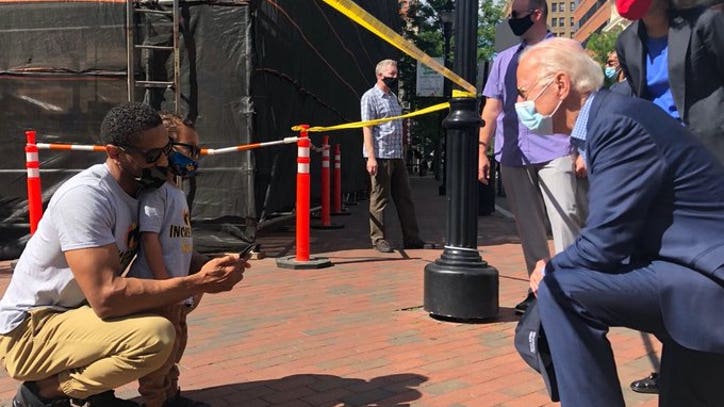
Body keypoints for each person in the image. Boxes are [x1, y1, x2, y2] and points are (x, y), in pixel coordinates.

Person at [518, 37, 724, 406]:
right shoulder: (613, 117)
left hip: (704, 280)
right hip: (686, 272)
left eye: (524, 92)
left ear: (561, 85)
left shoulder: (617, 124)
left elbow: (604, 243)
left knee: (561, 287)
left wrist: (549, 268)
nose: (521, 105)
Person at [0, 103, 248, 407]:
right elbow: (106, 298)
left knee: (162, 310)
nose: (164, 160)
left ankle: (101, 395)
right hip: (30, 330)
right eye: (151, 155)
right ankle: (45, 393)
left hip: (74, 315)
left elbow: (164, 249)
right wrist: (197, 282)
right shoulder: (87, 197)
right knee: (155, 335)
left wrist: (208, 264)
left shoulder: (142, 192)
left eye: (167, 148)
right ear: (115, 153)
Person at [615, 0, 723, 391]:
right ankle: (677, 364)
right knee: (663, 263)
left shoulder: (707, 24)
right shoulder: (627, 40)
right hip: (658, 169)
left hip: (710, 165)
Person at [478, 0, 586, 314]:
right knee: (528, 227)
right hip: (513, 153)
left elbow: (585, 100)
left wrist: (585, 149)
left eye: (514, 16)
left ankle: (573, 289)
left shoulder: (567, 50)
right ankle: (538, 290)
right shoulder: (503, 59)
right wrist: (480, 149)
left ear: (536, 15)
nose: (510, 22)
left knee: (566, 218)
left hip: (557, 149)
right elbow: (492, 107)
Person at [126, 113, 210, 407]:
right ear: (167, 147)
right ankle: (155, 401)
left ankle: (171, 395)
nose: (195, 158)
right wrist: (167, 285)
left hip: (177, 291)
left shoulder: (177, 192)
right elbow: (150, 240)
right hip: (161, 290)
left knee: (175, 346)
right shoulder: (156, 193)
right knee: (159, 356)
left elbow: (178, 242)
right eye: (191, 149)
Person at [616, 0, 724, 163]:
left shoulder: (704, 21)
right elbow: (640, 95)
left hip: (710, 146)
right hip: (662, 150)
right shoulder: (626, 43)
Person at [361, 59, 426, 253]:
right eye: (392, 74)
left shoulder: (393, 97)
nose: (395, 77)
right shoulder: (370, 97)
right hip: (381, 155)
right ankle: (378, 238)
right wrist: (371, 158)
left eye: (396, 73)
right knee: (380, 198)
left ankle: (412, 237)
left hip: (397, 155)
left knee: (405, 197)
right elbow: (367, 128)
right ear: (380, 75)